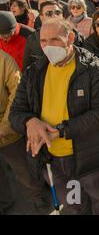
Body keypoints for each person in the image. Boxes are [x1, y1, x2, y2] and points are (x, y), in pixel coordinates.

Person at [9, 18, 99, 215]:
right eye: (43, 41)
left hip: (89, 160)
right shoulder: (34, 73)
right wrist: (29, 121)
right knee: (75, 206)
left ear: (71, 38)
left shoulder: (93, 69)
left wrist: (62, 131)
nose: (48, 46)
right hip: (55, 162)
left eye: (55, 40)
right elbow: (16, 112)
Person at [0, 50, 50, 214]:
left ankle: (36, 197)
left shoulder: (4, 60)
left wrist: (4, 127)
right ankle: (4, 201)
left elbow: (16, 93)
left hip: (7, 132)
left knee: (22, 168)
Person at [22, 1, 85, 70]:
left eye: (57, 13)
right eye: (49, 13)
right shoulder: (32, 39)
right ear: (41, 17)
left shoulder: (77, 37)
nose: (54, 16)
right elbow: (27, 68)